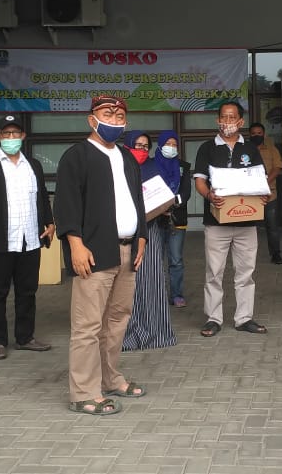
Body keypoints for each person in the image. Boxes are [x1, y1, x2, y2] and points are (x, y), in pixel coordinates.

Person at [55, 95, 148, 416]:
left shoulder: (126, 156)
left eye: (120, 116)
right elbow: (65, 205)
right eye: (108, 114)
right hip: (93, 251)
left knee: (117, 319)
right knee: (88, 325)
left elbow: (137, 200)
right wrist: (75, 245)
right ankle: (83, 392)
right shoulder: (77, 156)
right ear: (91, 119)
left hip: (127, 249)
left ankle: (110, 378)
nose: (115, 120)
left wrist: (141, 236)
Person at [0, 115, 55, 361]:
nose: (11, 138)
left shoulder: (34, 165)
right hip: (0, 241)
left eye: (15, 133)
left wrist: (49, 223)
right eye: (6, 134)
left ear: (23, 136)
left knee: (27, 292)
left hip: (30, 239)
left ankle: (25, 337)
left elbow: (42, 197)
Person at [195, 101, 269, 337]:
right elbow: (200, 181)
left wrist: (263, 195)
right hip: (216, 222)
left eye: (232, 117)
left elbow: (260, 180)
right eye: (224, 117)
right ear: (218, 120)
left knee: (245, 273)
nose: (228, 122)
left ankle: (244, 318)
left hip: (247, 222)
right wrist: (209, 195)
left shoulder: (251, 149)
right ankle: (213, 318)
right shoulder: (207, 148)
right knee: (214, 272)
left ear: (240, 121)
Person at [121, 131, 177, 350]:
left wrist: (165, 207)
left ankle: (157, 333)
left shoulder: (153, 167)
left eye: (146, 146)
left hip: (150, 231)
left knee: (151, 281)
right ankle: (126, 335)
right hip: (123, 234)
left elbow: (163, 195)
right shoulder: (117, 167)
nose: (142, 150)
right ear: (127, 146)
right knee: (125, 284)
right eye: (138, 145)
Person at [154, 130, 192, 308]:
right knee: (156, 259)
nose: (171, 147)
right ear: (160, 145)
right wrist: (160, 207)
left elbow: (186, 192)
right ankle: (157, 294)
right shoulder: (151, 165)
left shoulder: (183, 166)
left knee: (176, 260)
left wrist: (170, 204)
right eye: (168, 144)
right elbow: (148, 190)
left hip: (177, 219)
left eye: (174, 144)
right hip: (155, 219)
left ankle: (176, 294)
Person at [248, 122, 282, 264]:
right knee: (247, 227)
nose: (256, 136)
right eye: (253, 133)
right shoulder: (245, 149)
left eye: (259, 133)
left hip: (269, 194)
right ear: (249, 135)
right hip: (249, 195)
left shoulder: (271, 149)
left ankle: (276, 254)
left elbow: (277, 168)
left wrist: (264, 183)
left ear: (264, 134)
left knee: (272, 226)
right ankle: (246, 256)